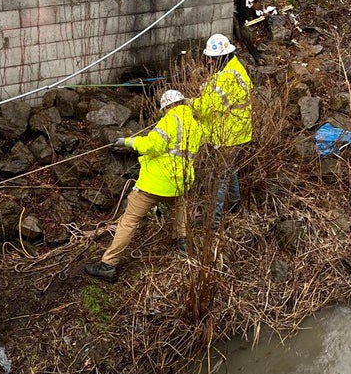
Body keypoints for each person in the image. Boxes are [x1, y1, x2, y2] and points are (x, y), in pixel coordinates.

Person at [85, 89, 204, 282]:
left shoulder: (169, 120)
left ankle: (108, 265)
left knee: (129, 221)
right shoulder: (196, 124)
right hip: (180, 182)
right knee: (181, 213)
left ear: (167, 106)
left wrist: (128, 142)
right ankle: (185, 251)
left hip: (154, 183)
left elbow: (152, 145)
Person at [192, 33, 252, 229]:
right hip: (236, 131)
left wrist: (189, 103)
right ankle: (235, 205)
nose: (208, 61)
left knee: (220, 176)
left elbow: (207, 107)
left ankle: (214, 222)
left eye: (212, 58)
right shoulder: (234, 68)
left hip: (228, 133)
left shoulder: (226, 76)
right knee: (229, 170)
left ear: (222, 57)